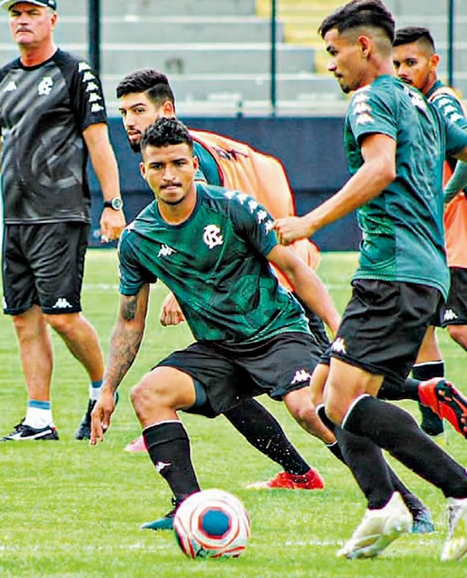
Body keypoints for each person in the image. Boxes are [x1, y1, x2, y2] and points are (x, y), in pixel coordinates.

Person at [274, 0, 467, 560]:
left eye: (334, 52)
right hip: (422, 270)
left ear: (363, 47)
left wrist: (309, 221)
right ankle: (383, 506)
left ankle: (456, 488)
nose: (331, 64)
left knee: (340, 405)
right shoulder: (423, 103)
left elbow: (380, 167)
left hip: (393, 271)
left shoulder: (372, 97)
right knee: (322, 391)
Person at [88, 117, 343, 532]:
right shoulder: (139, 238)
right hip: (220, 350)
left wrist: (337, 328)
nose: (169, 175)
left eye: (177, 163)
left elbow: (294, 268)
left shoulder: (233, 207)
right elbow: (130, 322)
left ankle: (384, 490)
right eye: (158, 167)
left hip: (276, 331)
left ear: (193, 164)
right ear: (144, 171)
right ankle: (186, 508)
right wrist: (108, 389)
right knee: (148, 394)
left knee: (306, 407)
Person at [113, 68, 327, 492]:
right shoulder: (191, 153)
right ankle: (300, 473)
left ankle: (388, 469)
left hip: (273, 292)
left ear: (167, 110)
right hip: (238, 308)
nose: (129, 121)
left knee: (315, 405)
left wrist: (178, 289)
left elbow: (199, 228)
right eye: (123, 112)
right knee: (227, 389)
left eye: (139, 110)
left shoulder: (193, 160)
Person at [0, 0, 126, 441]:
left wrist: (113, 204)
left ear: (52, 18)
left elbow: (98, 140)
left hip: (60, 213)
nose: (22, 19)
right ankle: (38, 417)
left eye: (32, 11)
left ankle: (100, 390)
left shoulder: (74, 72)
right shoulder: (4, 77)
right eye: (15, 13)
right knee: (23, 318)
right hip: (16, 217)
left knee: (62, 316)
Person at [391, 26, 467, 438]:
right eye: (397, 64)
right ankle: (433, 419)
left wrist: (441, 199)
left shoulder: (442, 102)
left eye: (411, 63)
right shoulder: (419, 101)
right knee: (424, 325)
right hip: (437, 239)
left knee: (457, 326)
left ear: (432, 62)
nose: (403, 71)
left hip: (458, 235)